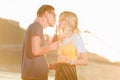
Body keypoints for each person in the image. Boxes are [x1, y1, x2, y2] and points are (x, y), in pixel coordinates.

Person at [21, 5, 58, 80]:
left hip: (33, 75)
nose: (55, 19)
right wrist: (51, 47)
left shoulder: (34, 27)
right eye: (54, 15)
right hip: (35, 77)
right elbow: (36, 51)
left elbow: (33, 57)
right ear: (47, 14)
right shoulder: (37, 26)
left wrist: (50, 66)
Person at [54, 11, 88, 80]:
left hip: (69, 72)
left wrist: (69, 61)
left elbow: (85, 61)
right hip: (58, 72)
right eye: (59, 20)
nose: (58, 22)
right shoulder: (61, 37)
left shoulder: (76, 37)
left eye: (62, 20)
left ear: (69, 21)